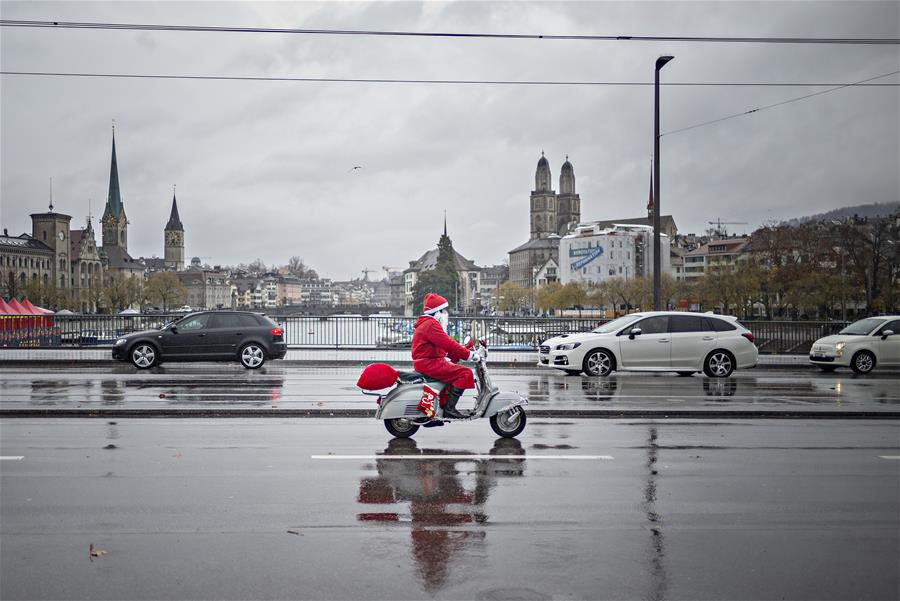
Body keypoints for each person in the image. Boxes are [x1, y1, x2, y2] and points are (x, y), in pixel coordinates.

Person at [411, 292, 481, 419]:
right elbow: (448, 343)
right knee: (465, 373)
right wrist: (469, 355)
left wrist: (459, 352)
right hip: (429, 364)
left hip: (427, 362)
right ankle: (450, 409)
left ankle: (443, 404)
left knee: (454, 369)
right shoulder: (431, 325)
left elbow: (442, 345)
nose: (446, 314)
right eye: (443, 311)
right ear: (437, 312)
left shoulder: (427, 323)